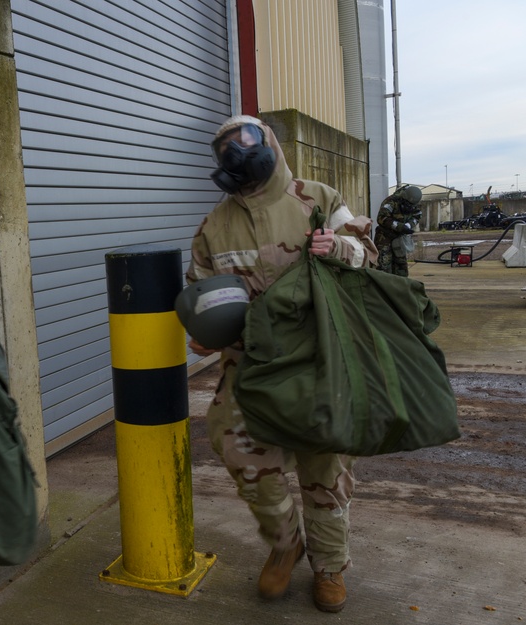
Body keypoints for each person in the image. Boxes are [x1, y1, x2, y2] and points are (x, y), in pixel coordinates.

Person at [186, 115, 378, 613]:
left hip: (322, 358)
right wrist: (204, 336)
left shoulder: (318, 198)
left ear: (269, 143)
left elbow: (368, 254)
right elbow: (200, 290)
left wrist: (338, 246)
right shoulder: (213, 226)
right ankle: (285, 542)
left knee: (325, 468)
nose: (235, 152)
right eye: (224, 147)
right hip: (250, 365)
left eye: (245, 140)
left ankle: (330, 568)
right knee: (241, 452)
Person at [374, 185, 423, 276]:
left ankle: (401, 286)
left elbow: (417, 215)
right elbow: (382, 218)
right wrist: (399, 226)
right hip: (385, 237)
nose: (410, 207)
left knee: (401, 264)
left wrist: (408, 225)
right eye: (408, 204)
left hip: (400, 238)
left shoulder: (414, 203)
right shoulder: (391, 201)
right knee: (384, 264)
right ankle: (383, 287)